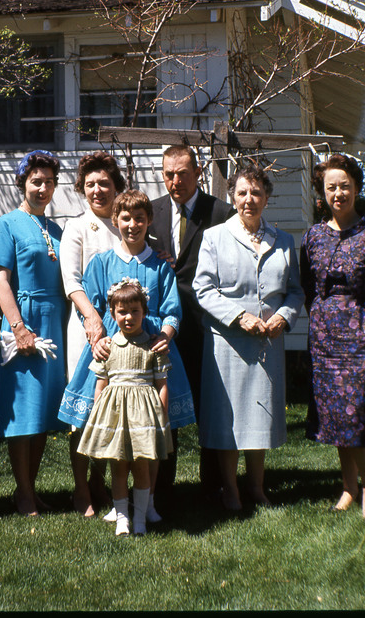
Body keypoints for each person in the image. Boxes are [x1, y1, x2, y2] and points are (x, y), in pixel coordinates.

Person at [59, 190, 196, 522]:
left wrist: (165, 334)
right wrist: (97, 337)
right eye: (125, 218)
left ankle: (146, 502)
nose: (132, 225)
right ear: (115, 220)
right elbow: (88, 308)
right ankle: (116, 500)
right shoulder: (101, 263)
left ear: (149, 221)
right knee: (110, 425)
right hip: (112, 350)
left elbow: (172, 311)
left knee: (148, 428)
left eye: (139, 218)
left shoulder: (161, 267)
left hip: (150, 353)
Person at [192, 163, 304, 509]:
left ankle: (256, 488)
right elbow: (203, 289)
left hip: (268, 343)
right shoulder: (215, 237)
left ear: (267, 197)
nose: (249, 199)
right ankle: (231, 490)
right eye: (242, 192)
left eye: (256, 192)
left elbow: (295, 291)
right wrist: (239, 317)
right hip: (228, 342)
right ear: (233, 196)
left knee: (260, 417)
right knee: (228, 418)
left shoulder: (283, 241)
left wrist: (283, 318)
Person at [300, 154, 365, 519]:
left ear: (356, 188)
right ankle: (348, 488)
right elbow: (309, 289)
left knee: (360, 413)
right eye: (331, 187)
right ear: (322, 193)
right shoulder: (313, 237)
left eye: (345, 185)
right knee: (335, 418)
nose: (339, 193)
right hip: (326, 341)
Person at [148, 144, 233, 504]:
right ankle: (162, 488)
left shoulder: (221, 212)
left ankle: (212, 486)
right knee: (163, 405)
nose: (175, 180)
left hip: (206, 324)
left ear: (197, 172)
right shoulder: (151, 212)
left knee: (209, 404)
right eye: (168, 173)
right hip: (163, 326)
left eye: (182, 172)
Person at [0, 150, 67, 516]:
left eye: (49, 182)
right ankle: (22, 493)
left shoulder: (56, 229)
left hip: (55, 323)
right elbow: (0, 279)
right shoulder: (7, 223)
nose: (43, 188)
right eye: (36, 181)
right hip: (25, 321)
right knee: (23, 410)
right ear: (23, 183)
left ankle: (31, 490)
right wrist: (19, 327)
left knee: (43, 412)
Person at [78, 278, 172, 536]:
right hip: (117, 417)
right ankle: (122, 519)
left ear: (145, 312)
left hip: (144, 417)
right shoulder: (107, 346)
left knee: (142, 468)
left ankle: (140, 519)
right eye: (122, 312)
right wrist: (100, 417)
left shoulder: (153, 346)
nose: (129, 317)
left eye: (135, 311)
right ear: (112, 313)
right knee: (118, 468)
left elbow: (162, 384)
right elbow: (101, 385)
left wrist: (161, 416)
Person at [60, 151, 126, 516]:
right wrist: (91, 318)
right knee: (85, 409)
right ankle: (81, 488)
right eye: (90, 185)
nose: (97, 190)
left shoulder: (125, 223)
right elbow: (72, 280)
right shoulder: (78, 226)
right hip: (87, 328)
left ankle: (102, 483)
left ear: (116, 187)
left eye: (104, 183)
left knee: (112, 409)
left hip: (123, 331)